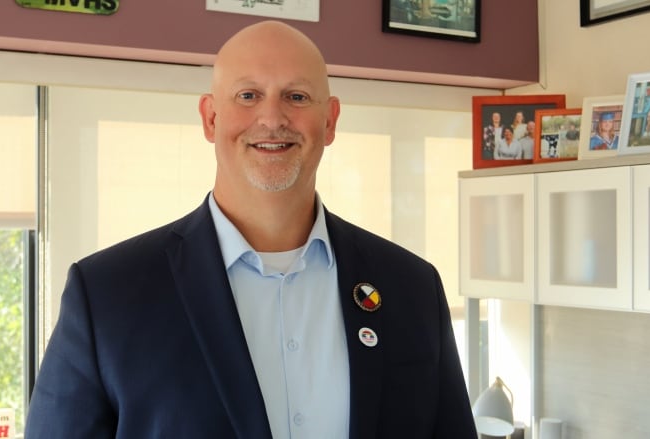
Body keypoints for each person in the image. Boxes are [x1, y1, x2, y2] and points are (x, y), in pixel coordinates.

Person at [24, 20, 477, 439]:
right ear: (210, 118)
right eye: (248, 95)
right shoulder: (106, 295)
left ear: (330, 120)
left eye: (296, 97)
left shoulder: (412, 289)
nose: (273, 118)